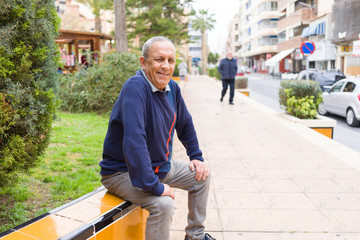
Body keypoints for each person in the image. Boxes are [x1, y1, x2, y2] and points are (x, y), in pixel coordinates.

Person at [99, 36, 214, 240]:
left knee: (201, 177)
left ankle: (195, 236)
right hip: (121, 172)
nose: (166, 66)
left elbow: (185, 124)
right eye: (159, 59)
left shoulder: (173, 88)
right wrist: (155, 187)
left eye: (170, 60)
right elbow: (135, 141)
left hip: (159, 167)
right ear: (143, 63)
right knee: (164, 204)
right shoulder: (136, 87)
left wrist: (196, 157)